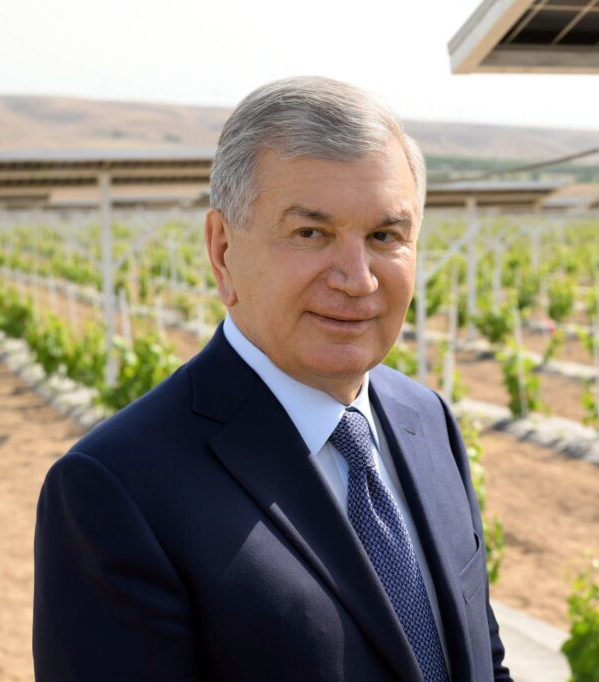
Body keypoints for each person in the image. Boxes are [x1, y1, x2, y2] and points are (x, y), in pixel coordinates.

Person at [33, 76, 512, 682]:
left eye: (384, 236)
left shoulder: (428, 420)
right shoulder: (117, 488)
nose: (358, 278)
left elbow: (483, 659)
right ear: (222, 251)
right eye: (311, 233)